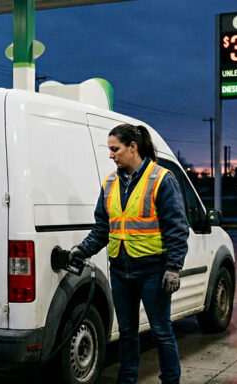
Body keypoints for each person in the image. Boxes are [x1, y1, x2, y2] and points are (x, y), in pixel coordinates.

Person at [72, 123, 189, 384]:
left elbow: (177, 228)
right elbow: (103, 228)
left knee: (160, 330)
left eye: (115, 149)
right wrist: (82, 250)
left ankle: (171, 381)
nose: (111, 155)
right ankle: (127, 381)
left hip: (152, 271)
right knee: (126, 332)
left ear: (132, 147)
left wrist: (173, 267)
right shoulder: (110, 183)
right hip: (121, 271)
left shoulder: (161, 179)